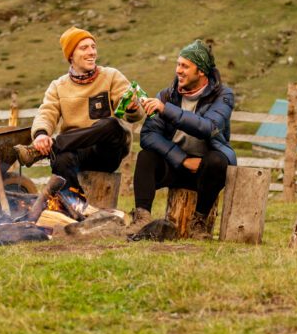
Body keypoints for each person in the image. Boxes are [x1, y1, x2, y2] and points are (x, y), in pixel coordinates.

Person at [14, 26, 144, 217]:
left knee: (111, 124)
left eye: (93, 46)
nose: (92, 52)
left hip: (107, 151)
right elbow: (46, 113)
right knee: (61, 158)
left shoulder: (111, 76)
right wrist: (41, 135)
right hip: (77, 152)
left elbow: (134, 114)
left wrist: (133, 108)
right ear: (71, 56)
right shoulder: (58, 86)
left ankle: (50, 148)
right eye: (84, 48)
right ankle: (77, 207)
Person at [132, 39, 236, 239]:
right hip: (176, 165)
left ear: (201, 71)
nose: (179, 70)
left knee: (216, 161)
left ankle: (199, 223)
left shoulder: (223, 95)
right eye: (178, 64)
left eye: (185, 66)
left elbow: (209, 127)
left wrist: (166, 110)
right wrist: (181, 159)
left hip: (205, 172)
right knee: (146, 156)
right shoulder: (167, 95)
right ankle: (142, 218)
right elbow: (148, 135)